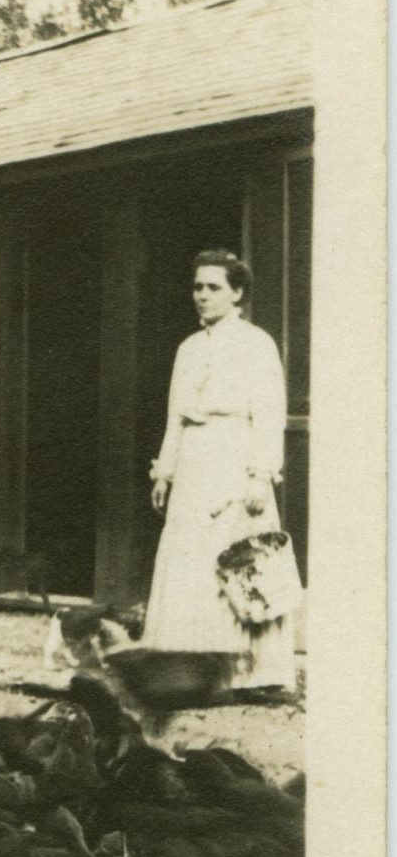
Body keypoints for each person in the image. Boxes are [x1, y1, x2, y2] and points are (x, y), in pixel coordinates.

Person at [143, 249, 298, 695]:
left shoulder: (256, 343)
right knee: (189, 559)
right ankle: (189, 674)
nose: (203, 296)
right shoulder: (188, 349)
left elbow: (270, 415)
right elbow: (176, 414)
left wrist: (260, 474)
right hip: (194, 462)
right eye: (197, 287)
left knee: (237, 562)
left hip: (236, 460)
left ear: (237, 293)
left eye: (213, 287)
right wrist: (165, 471)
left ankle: (251, 674)